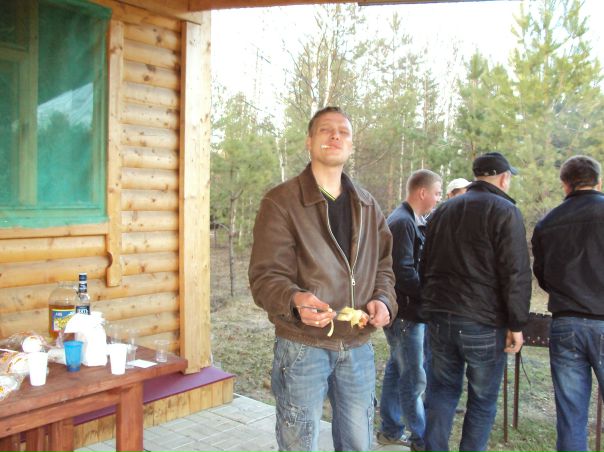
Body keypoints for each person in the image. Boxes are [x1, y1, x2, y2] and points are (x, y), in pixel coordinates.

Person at [248, 106, 397, 452]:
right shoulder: (281, 202)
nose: (335, 136)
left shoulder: (368, 205)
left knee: (359, 443)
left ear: (351, 145)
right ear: (309, 142)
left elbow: (385, 267)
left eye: (343, 132)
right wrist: (295, 300)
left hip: (358, 346)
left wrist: (384, 299)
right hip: (303, 345)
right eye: (325, 130)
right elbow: (265, 276)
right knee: (299, 444)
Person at [419, 151, 531, 452]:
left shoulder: (444, 210)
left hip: (441, 316)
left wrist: (429, 305)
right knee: (482, 400)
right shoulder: (505, 211)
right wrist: (517, 324)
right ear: (504, 178)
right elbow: (516, 272)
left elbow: (424, 263)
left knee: (441, 392)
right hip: (483, 322)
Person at [531, 155, 604, 452]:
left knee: (571, 416)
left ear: (565, 184)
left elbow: (542, 274)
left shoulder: (547, 223)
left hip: (565, 323)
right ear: (598, 181)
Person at [377, 170, 442, 452]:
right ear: (422, 192)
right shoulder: (402, 222)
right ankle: (420, 439)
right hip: (405, 314)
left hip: (408, 313)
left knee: (397, 369)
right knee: (414, 379)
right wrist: (429, 297)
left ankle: (390, 430)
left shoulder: (412, 220)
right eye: (437, 193)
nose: (438, 199)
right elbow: (402, 271)